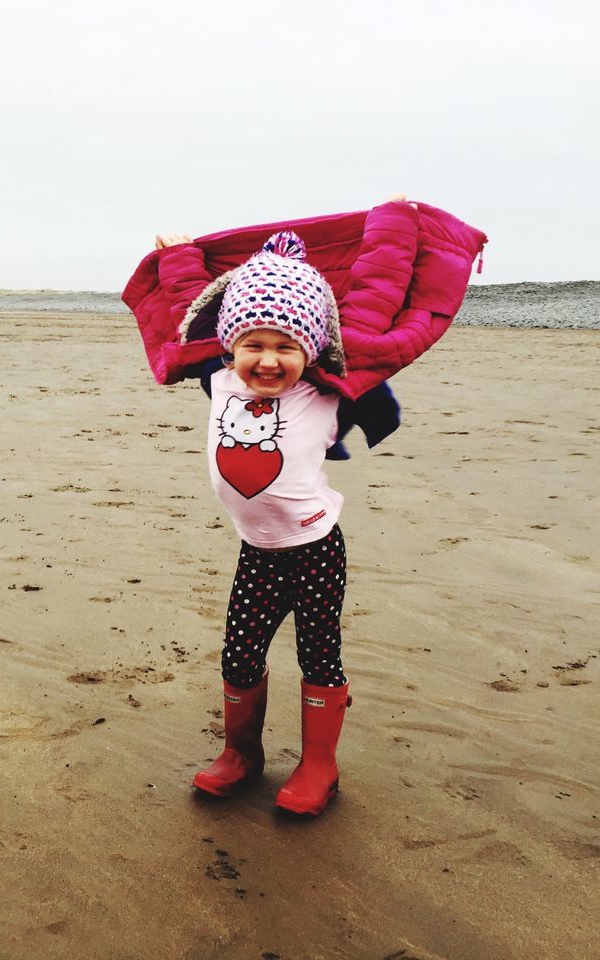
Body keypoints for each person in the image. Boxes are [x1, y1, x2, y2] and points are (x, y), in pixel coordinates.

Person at [153, 226, 355, 817]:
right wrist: (179, 255)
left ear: (310, 351)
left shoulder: (325, 392)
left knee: (320, 654)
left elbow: (374, 303)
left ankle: (320, 765)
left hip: (315, 549)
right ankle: (241, 754)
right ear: (231, 346)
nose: (269, 359)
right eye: (254, 345)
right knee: (240, 655)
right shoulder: (217, 379)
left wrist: (397, 222)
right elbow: (188, 303)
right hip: (256, 552)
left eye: (286, 347)